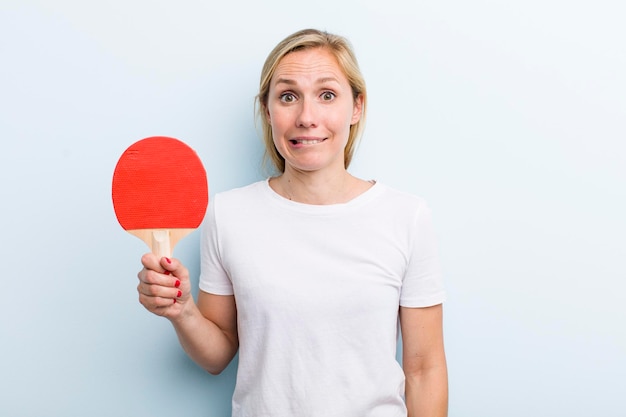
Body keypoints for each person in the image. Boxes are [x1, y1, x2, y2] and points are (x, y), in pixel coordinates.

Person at [137, 28, 448, 417]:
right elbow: (216, 356)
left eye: (327, 95)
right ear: (268, 111)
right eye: (288, 96)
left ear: (356, 108)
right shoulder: (228, 214)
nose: (306, 117)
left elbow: (424, 369)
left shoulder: (407, 216)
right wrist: (182, 310)